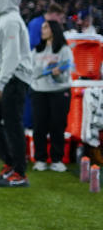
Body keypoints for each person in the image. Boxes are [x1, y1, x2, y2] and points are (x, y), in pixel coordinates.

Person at [0, 0, 34, 188]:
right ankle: (11, 163)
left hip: (13, 79)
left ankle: (19, 172)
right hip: (8, 78)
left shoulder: (11, 21)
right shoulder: (6, 19)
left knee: (13, 124)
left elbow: (12, 56)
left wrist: (0, 84)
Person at [30, 20, 73, 172]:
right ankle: (40, 159)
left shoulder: (64, 49)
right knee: (39, 127)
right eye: (42, 28)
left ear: (54, 30)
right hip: (39, 92)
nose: (42, 30)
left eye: (45, 27)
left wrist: (58, 75)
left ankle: (57, 159)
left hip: (59, 92)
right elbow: (31, 71)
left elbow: (67, 74)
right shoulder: (37, 50)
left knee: (57, 126)